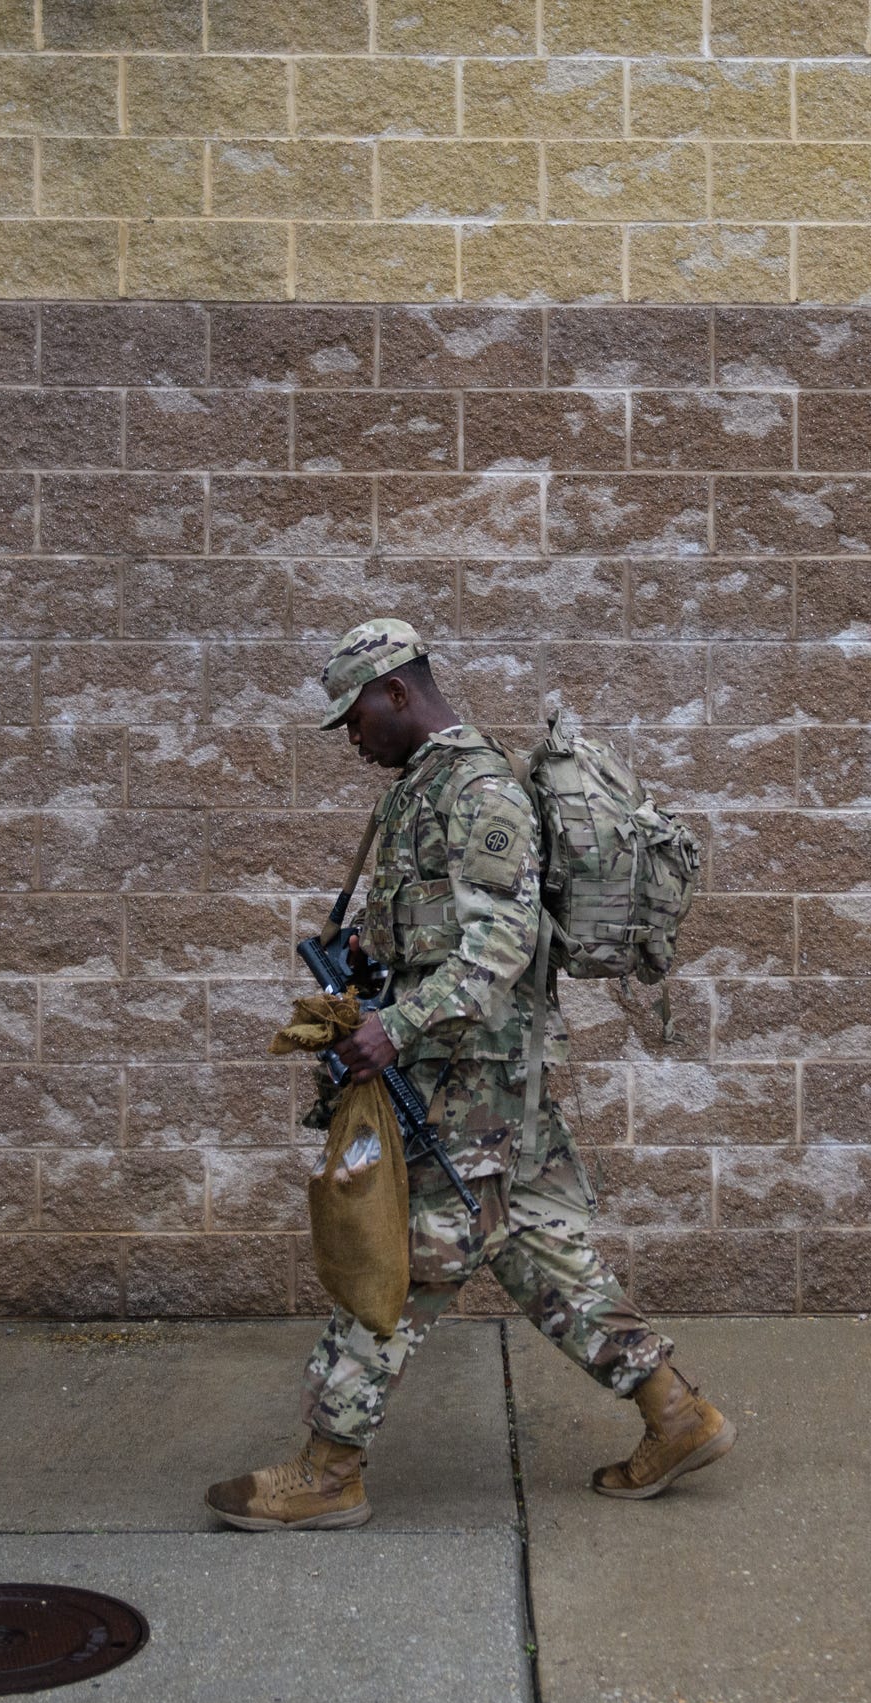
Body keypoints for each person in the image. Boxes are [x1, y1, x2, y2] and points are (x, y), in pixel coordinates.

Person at [206, 618, 734, 1529]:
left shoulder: (478, 787)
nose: (353, 738)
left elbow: (499, 944)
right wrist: (362, 957)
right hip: (477, 1079)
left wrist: (394, 1026)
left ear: (398, 692)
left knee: (400, 1257)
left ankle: (329, 1469)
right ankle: (677, 1413)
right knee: (530, 1245)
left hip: (468, 1082)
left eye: (357, 716)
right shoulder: (424, 789)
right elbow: (440, 927)